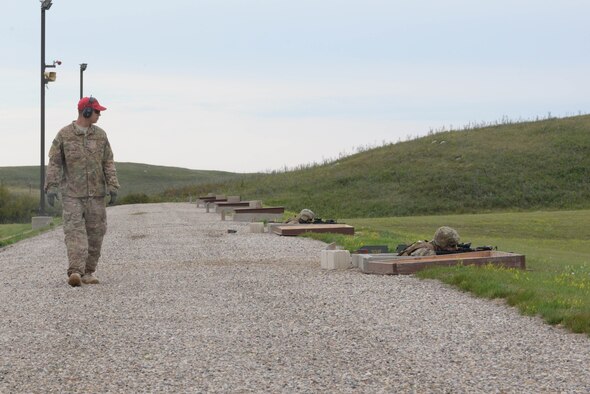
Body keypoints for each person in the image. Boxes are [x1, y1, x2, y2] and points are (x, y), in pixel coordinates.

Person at [45, 96, 120, 287]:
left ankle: (88, 272)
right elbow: (54, 162)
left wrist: (113, 185)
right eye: (96, 111)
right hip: (72, 194)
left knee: (96, 233)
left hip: (96, 194)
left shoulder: (101, 136)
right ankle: (75, 272)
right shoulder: (64, 135)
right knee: (74, 233)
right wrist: (51, 187)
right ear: (86, 111)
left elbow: (108, 162)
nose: (99, 114)